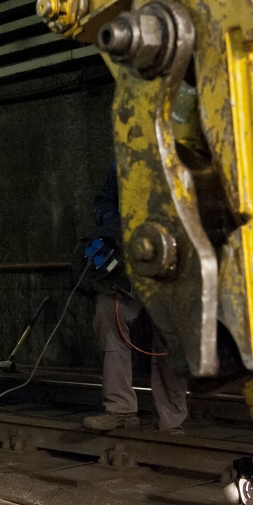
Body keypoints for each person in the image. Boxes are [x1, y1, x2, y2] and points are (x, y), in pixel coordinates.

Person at [81, 163, 187, 433]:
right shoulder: (124, 159)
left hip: (172, 259)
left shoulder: (182, 158)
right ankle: (120, 409)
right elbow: (103, 202)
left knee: (169, 334)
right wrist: (116, 227)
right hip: (129, 260)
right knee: (108, 315)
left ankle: (171, 419)